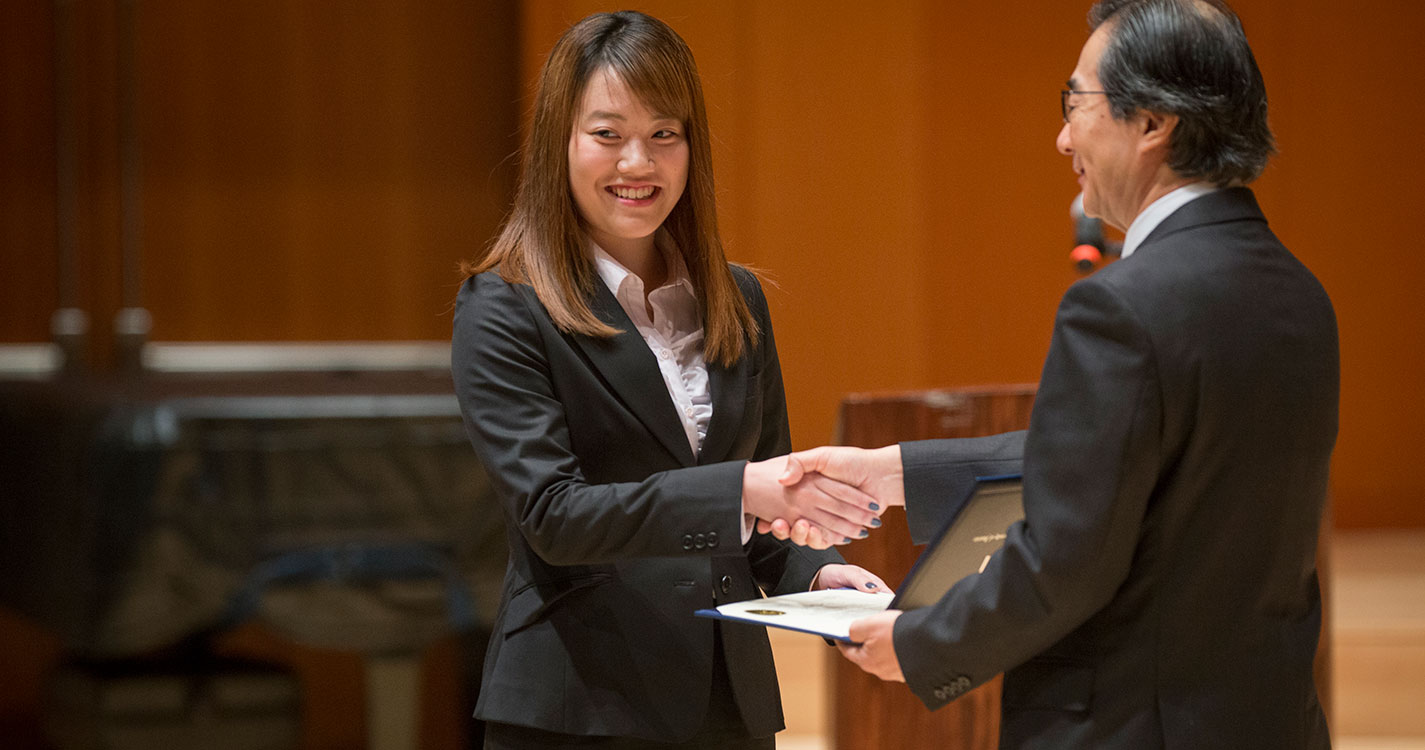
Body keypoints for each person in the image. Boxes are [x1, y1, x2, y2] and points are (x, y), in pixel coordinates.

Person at [768, 0, 1340, 747]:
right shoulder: (1301, 294)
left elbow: (1066, 561)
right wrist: (889, 471)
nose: (1063, 136)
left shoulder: (1120, 307)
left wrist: (917, 642)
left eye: (1077, 104)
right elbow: (1128, 467)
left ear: (1153, 122)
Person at [451, 11, 884, 749]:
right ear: (561, 142)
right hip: (578, 707)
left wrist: (818, 576)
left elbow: (766, 512)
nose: (637, 164)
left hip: (728, 707)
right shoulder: (503, 304)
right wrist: (742, 489)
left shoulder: (735, 296)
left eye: (663, 134)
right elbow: (555, 517)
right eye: (607, 134)